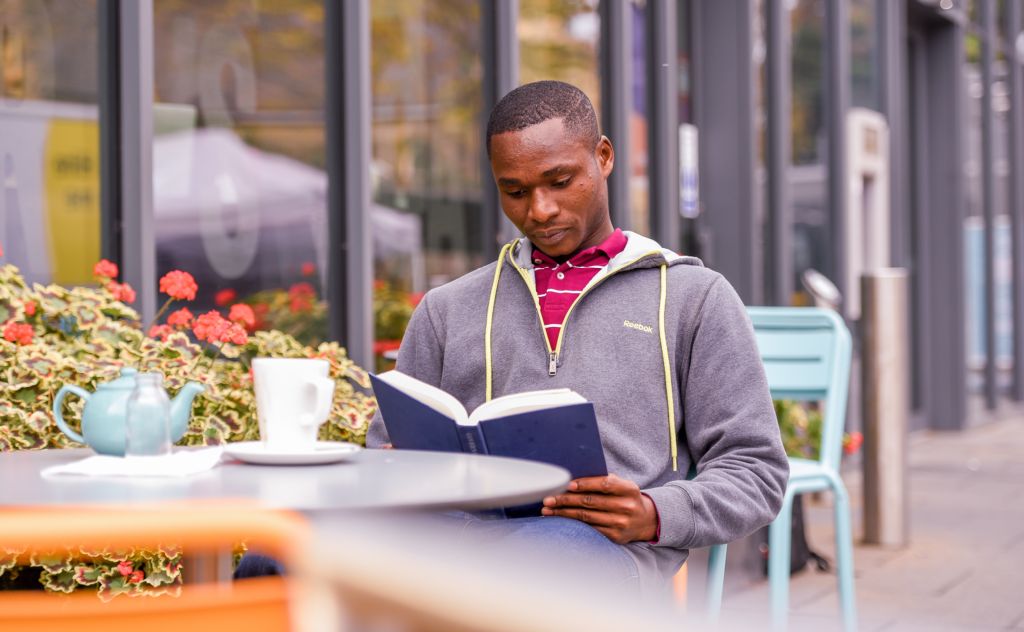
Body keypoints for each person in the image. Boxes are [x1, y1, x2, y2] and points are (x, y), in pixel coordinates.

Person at [365, 80, 788, 596]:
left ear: (603, 157)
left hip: (598, 552)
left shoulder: (693, 298)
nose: (539, 210)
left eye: (559, 181)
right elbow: (383, 446)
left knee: (536, 563)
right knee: (275, 561)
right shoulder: (447, 308)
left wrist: (655, 512)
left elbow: (755, 469)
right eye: (515, 192)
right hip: (455, 536)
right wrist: (397, 464)